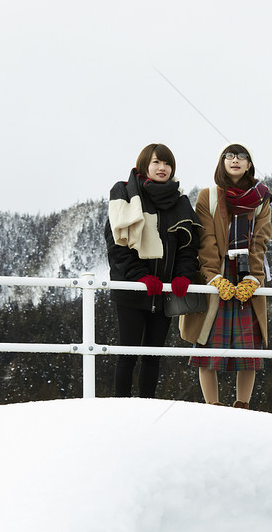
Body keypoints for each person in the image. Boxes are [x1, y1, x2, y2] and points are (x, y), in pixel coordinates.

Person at [104, 143, 202, 398]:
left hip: (165, 291)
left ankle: (147, 406)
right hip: (132, 290)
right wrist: (140, 277)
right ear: (145, 164)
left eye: (167, 163)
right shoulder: (125, 195)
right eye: (157, 162)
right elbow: (117, 245)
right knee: (128, 354)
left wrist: (184, 275)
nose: (162, 168)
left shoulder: (180, 201)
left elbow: (188, 246)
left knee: (153, 355)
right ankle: (121, 406)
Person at [180, 142, 272, 409]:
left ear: (249, 164)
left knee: (249, 347)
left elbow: (260, 241)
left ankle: (242, 405)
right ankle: (213, 406)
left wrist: (253, 278)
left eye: (241, 157)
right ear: (222, 162)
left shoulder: (261, 198)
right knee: (208, 343)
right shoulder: (208, 196)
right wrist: (212, 276)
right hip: (217, 273)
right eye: (229, 156)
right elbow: (205, 241)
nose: (235, 160)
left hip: (246, 273)